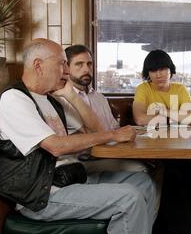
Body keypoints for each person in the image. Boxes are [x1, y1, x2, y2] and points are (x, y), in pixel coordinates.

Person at [0, 38, 157, 234]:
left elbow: (95, 133)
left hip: (72, 177)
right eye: (61, 64)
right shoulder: (14, 99)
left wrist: (72, 96)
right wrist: (114, 134)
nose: (66, 71)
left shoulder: (50, 99)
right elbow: (56, 146)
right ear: (38, 65)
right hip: (43, 194)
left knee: (143, 183)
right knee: (129, 197)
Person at [132, 49, 191, 234]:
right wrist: (176, 117)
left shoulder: (180, 89)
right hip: (152, 149)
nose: (159, 74)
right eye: (153, 70)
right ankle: (178, 233)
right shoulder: (143, 89)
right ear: (148, 73)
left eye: (163, 68)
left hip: (181, 147)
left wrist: (162, 114)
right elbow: (139, 118)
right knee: (171, 171)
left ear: (170, 70)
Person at [62, 44, 149, 174]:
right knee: (141, 168)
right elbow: (92, 134)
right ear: (66, 68)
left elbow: (114, 129)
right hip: (80, 161)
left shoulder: (99, 98)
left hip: (108, 153)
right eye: (79, 64)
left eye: (89, 64)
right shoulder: (62, 100)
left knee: (156, 163)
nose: (86, 69)